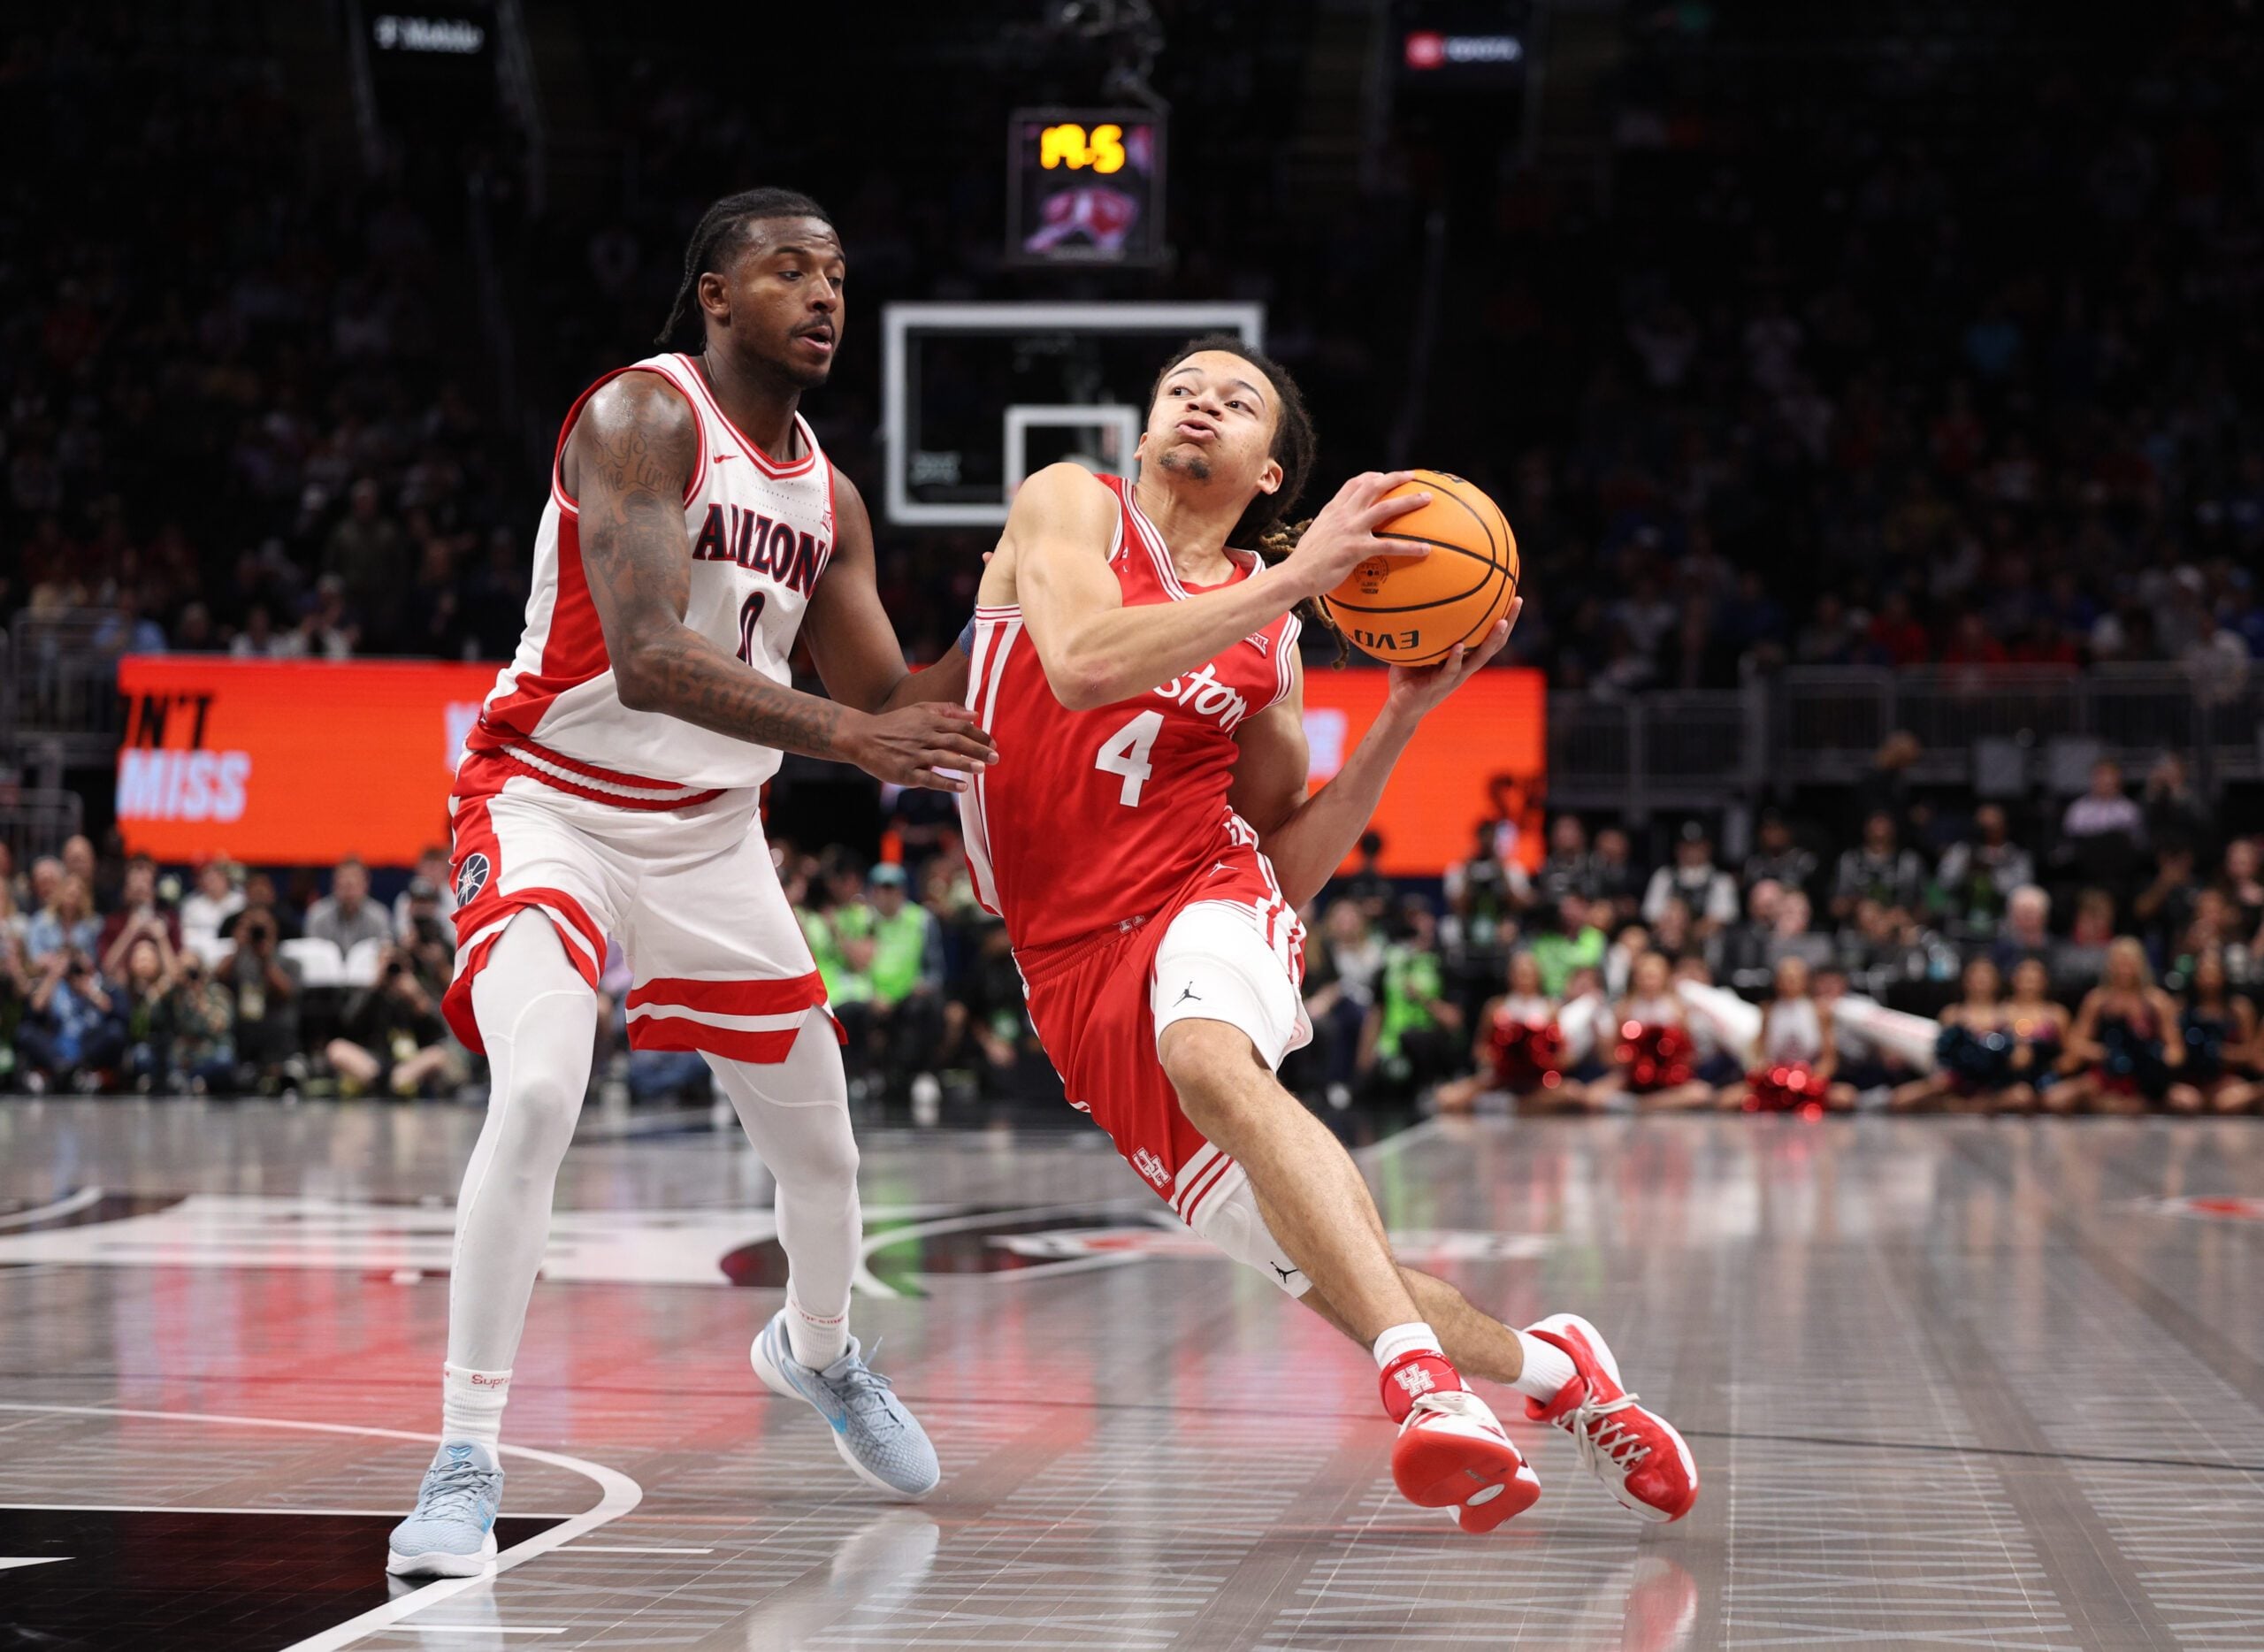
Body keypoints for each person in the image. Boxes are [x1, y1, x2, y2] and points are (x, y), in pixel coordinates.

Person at [957, 335, 1694, 1533]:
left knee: (1208, 1055)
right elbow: (1085, 664)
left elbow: (1284, 858)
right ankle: (1561, 1370)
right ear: (1144, 432)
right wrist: (1293, 585)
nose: (1200, 401)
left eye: (1235, 399)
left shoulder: (1271, 644)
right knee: (1340, 1273)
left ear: (1270, 474)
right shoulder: (1070, 505)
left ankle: (1422, 1391)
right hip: (1064, 966)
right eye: (1180, 388)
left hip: (1205, 889)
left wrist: (1403, 716)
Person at [388, 188, 992, 1578]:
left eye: (838, 274)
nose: (824, 295)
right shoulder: (641, 418)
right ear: (716, 296)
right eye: (789, 271)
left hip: (710, 835)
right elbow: (652, 654)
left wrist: (1019, 611)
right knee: (540, 1085)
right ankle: (465, 1458)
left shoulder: (828, 497)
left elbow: (890, 697)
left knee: (826, 1156)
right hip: (553, 803)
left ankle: (820, 1351)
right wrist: (852, 736)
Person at [1434, 952, 1576, 1114]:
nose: (1523, 977)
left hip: (1538, 1080)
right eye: (1518, 972)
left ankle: (1516, 1105)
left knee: (1571, 1094)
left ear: (1538, 975)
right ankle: (1507, 1103)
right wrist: (1497, 1058)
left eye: (1528, 973)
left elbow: (1565, 1053)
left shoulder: (1550, 1008)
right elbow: (1479, 1049)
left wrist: (1544, 1061)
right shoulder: (1495, 1007)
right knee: (1447, 1098)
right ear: (1510, 975)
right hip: (1501, 1078)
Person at [2054, 937, 2182, 1114]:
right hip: (2105, 1073)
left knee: (2186, 1101)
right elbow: (2076, 1043)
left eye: (2129, 964)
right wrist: (2107, 1054)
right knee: (2057, 1099)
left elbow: (2176, 1051)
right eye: (2119, 963)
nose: (2124, 970)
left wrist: (2150, 1057)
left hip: (2145, 1077)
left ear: (2140, 966)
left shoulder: (2157, 1002)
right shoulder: (2097, 1000)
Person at [1587, 951, 1714, 1111]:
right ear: (1635, 978)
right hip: (1631, 1076)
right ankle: (1647, 1104)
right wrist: (1629, 1060)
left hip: (1670, 1077)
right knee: (1593, 1097)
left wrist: (1672, 1066)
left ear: (1665, 977)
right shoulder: (1624, 1009)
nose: (1649, 982)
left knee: (1701, 1094)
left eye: (1653, 976)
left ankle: (1643, 1105)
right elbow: (1612, 1054)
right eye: (1644, 976)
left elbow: (1690, 1052)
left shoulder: (1678, 1009)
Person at [1725, 955, 1854, 1112]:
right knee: (1728, 1100)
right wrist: (1769, 1074)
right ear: (1777, 981)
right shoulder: (1768, 1010)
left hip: (1809, 1080)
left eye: (1794, 978)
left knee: (1845, 1098)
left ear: (1805, 981)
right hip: (1773, 1081)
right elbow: (1759, 1051)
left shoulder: (1820, 1011)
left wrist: (1809, 1079)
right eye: (1785, 978)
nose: (1790, 982)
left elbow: (1829, 1058)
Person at [327, 945, 459, 1098]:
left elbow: (440, 1031)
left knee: (439, 1055)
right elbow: (349, 1023)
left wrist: (417, 998)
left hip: (411, 1062)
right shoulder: (369, 991)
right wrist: (375, 987)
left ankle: (393, 1083)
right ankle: (389, 1084)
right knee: (336, 1048)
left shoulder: (419, 990)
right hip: (373, 1061)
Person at [1893, 956, 2015, 1113]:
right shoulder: (1951, 1014)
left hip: (1995, 1084)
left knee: (2020, 1096)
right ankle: (1961, 1105)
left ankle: (1968, 1106)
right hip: (1954, 1082)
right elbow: (1938, 1052)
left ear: (1996, 981)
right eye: (1975, 976)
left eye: (1986, 976)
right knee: (1901, 1099)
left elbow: (2017, 1055)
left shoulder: (2007, 1013)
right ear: (1965, 981)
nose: (1981, 981)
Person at [2165, 949, 2259, 1115]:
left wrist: (2219, 1052)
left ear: (2224, 975)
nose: (2209, 979)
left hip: (2225, 1079)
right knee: (2186, 1102)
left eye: (2213, 973)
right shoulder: (2180, 1007)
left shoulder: (2239, 1009)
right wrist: (2188, 1051)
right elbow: (2173, 1048)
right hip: (2189, 1079)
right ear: (2195, 975)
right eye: (2204, 973)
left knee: (2227, 1103)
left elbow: (2252, 1054)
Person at [19, 946, 124, 1093]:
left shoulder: (97, 983)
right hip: (57, 1045)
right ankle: (63, 1070)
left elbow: (110, 1009)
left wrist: (89, 989)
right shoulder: (55, 986)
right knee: (26, 1032)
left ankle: (77, 1071)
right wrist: (54, 975)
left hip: (87, 1045)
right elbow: (36, 1007)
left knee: (115, 1031)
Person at [1642, 823, 1738, 937]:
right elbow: (1652, 916)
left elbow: (1721, 920)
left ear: (1708, 848)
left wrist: (1688, 936)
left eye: (1697, 846)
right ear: (1677, 849)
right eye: (1687, 846)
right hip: (1668, 939)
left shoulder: (1721, 879)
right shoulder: (1664, 876)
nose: (1691, 852)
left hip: (1708, 942)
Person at [305, 858, 393, 957]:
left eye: (353, 884)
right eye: (344, 884)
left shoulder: (379, 915)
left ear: (366, 884)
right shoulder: (318, 914)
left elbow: (386, 952)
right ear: (334, 884)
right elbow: (311, 955)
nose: (349, 891)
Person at [180, 859, 246, 965]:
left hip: (234, 956)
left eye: (216, 876)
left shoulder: (240, 902)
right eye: (207, 877)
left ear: (226, 877)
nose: (212, 881)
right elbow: (187, 939)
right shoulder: (192, 905)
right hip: (201, 957)